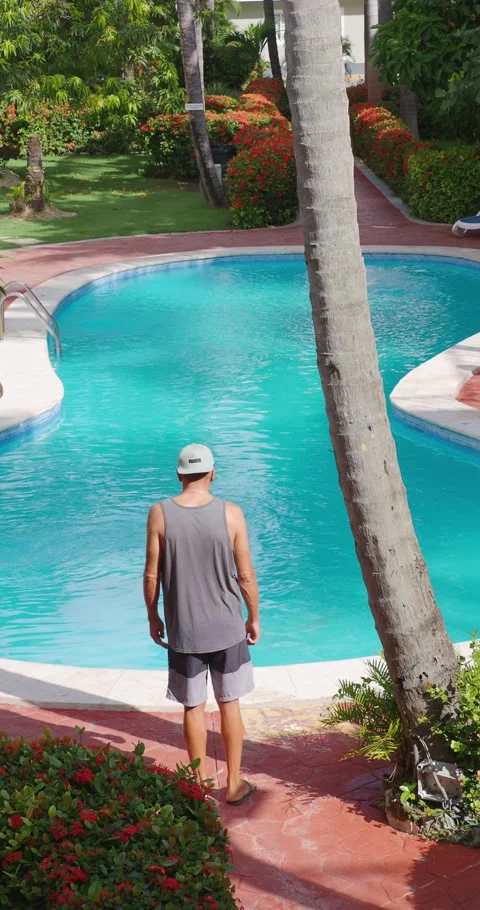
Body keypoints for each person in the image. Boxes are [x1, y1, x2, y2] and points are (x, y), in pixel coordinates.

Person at [143, 443, 260, 806]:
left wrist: (153, 616)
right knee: (230, 703)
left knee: (193, 707)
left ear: (179, 475)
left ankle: (197, 786)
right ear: (213, 473)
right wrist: (253, 617)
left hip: (185, 631)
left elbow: (150, 575)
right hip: (227, 628)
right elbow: (244, 577)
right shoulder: (232, 514)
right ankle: (235, 784)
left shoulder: (159, 514)